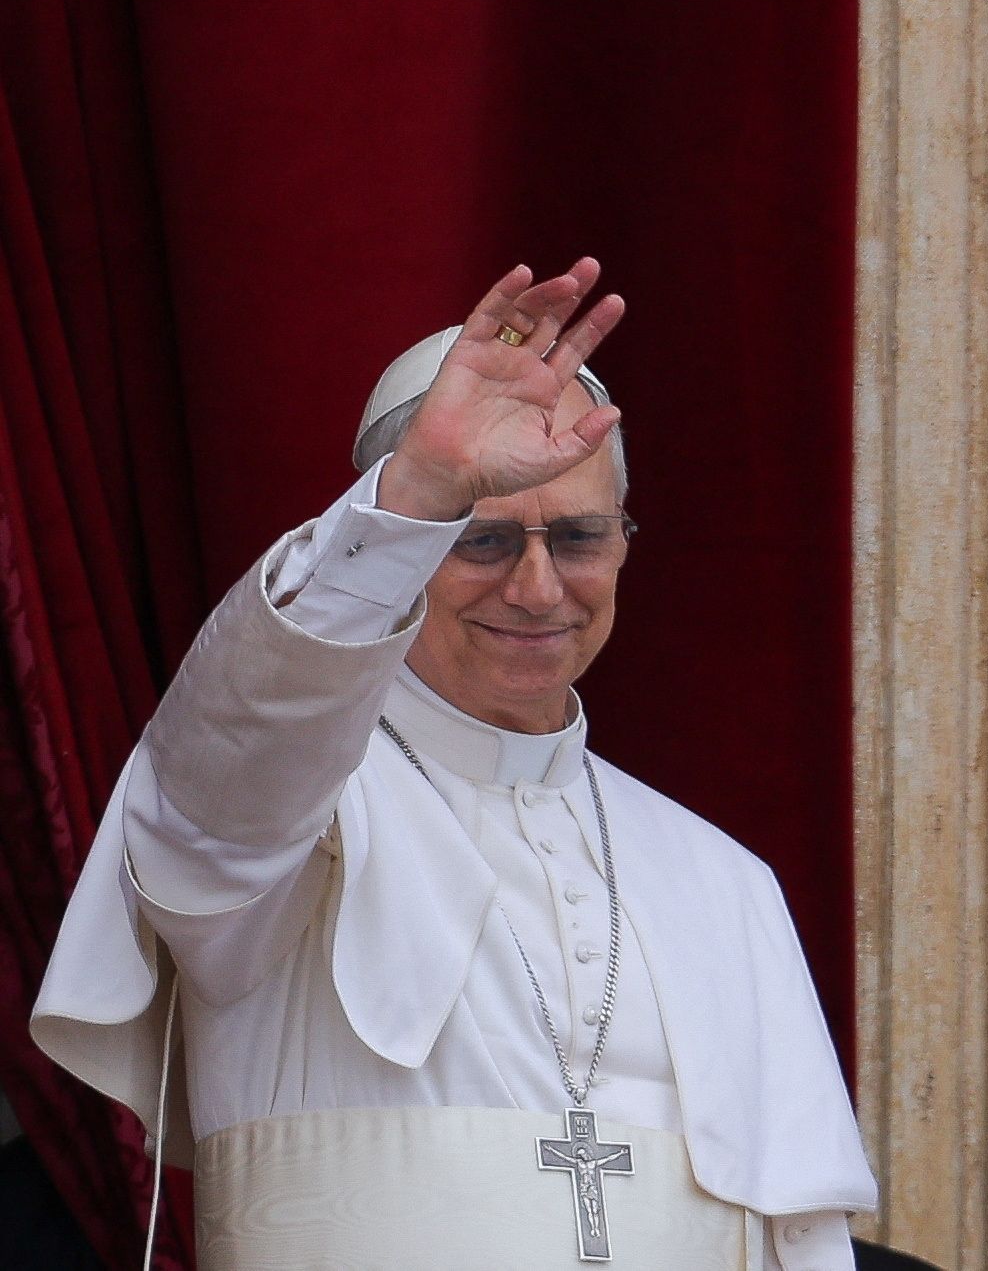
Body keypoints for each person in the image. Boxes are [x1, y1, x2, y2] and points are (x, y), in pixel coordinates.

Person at [29, 261, 876, 1269]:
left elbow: (803, 1239)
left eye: (576, 537)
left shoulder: (724, 882)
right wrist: (419, 487)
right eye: (476, 539)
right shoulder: (280, 814)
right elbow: (236, 741)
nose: (535, 586)